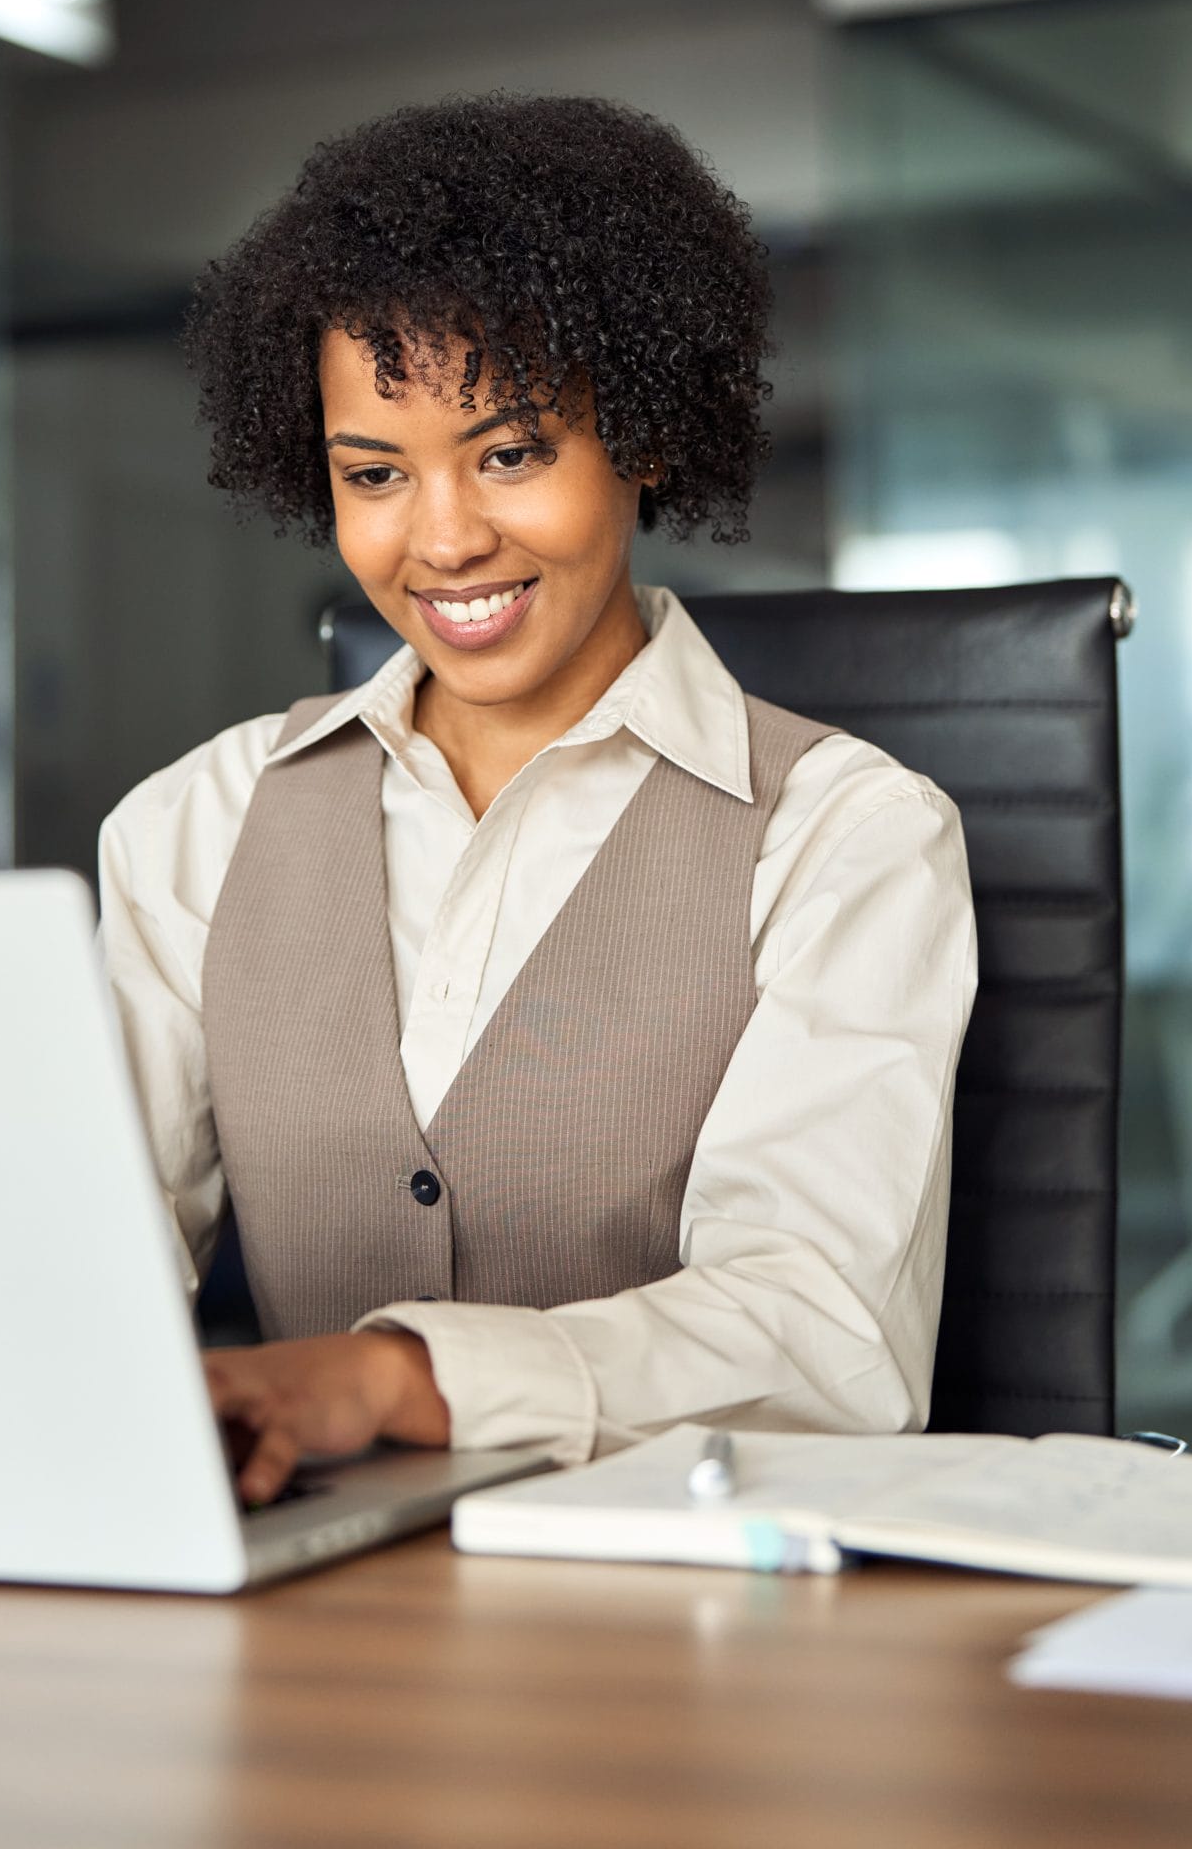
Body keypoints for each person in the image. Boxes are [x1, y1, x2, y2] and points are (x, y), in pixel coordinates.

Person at [99, 92, 975, 1504]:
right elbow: (81, 1267)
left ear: (641, 434)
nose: (443, 540)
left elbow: (826, 1338)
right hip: (299, 1615)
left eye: (511, 454)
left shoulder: (845, 836)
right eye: (374, 475)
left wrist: (396, 1378)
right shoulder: (194, 827)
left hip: (684, 1627)